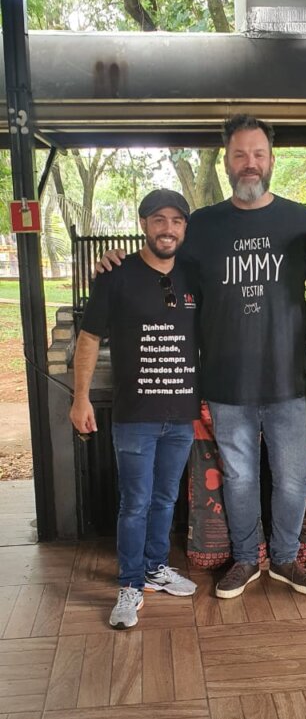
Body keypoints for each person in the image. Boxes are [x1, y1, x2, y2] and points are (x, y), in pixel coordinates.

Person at [98, 115, 306, 602]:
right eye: (239, 155)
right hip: (226, 382)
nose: (249, 163)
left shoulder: (300, 221)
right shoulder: (203, 225)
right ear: (227, 162)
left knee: (292, 479)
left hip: (290, 382)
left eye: (257, 154)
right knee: (239, 479)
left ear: (271, 160)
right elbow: (160, 257)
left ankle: (285, 559)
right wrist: (116, 262)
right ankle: (245, 558)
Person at [70, 188, 200, 629]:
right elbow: (89, 338)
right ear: (144, 224)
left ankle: (155, 568)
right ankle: (129, 584)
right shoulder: (116, 274)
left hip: (181, 416)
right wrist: (80, 397)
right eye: (159, 219)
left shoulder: (194, 275)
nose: (168, 228)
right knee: (135, 503)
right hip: (135, 417)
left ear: (185, 228)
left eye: (176, 221)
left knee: (165, 498)